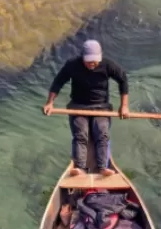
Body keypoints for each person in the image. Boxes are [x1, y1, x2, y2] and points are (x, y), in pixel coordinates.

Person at [43, 39, 129, 176]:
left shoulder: (107, 65)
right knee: (81, 134)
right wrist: (50, 103)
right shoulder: (72, 65)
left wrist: (124, 106)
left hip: (101, 107)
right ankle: (80, 168)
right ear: (82, 56)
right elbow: (58, 82)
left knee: (102, 133)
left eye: (95, 61)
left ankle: (102, 168)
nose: (92, 64)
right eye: (89, 61)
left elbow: (122, 79)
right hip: (78, 106)